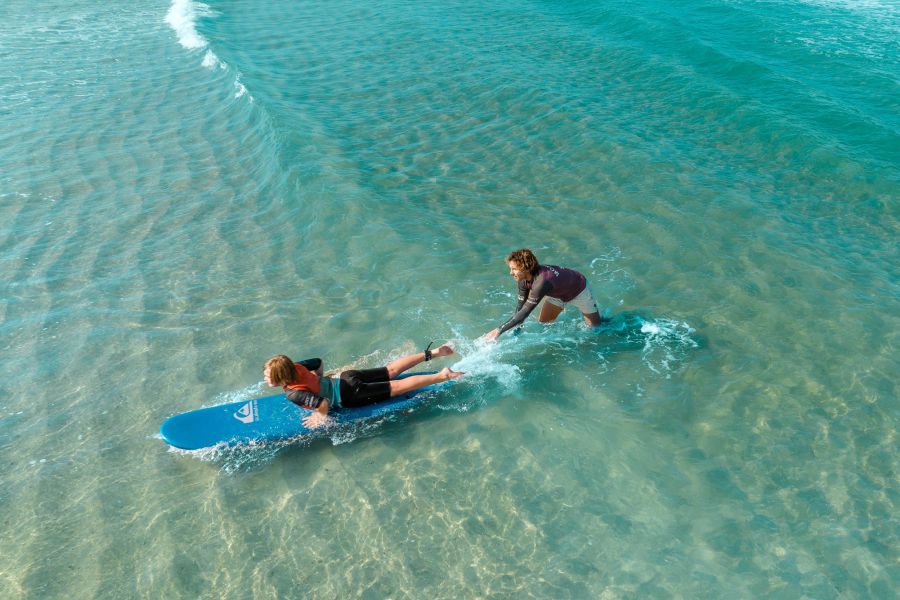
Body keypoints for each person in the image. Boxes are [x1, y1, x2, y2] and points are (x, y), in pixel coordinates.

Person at [263, 343, 463, 428]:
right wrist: (320, 380)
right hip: (344, 377)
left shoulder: (292, 393)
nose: (266, 379)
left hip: (350, 393)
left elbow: (322, 403)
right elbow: (318, 362)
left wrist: (319, 416)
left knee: (398, 387)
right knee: (390, 370)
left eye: (268, 376)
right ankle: (433, 353)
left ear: (281, 377)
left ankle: (442, 375)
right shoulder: (296, 366)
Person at [482, 248, 603, 341]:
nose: (510, 273)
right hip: (558, 294)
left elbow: (525, 312)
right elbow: (520, 308)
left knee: (595, 330)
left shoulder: (541, 283)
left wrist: (498, 330)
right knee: (544, 325)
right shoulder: (523, 280)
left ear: (525, 268)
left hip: (579, 291)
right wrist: (517, 329)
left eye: (514, 269)